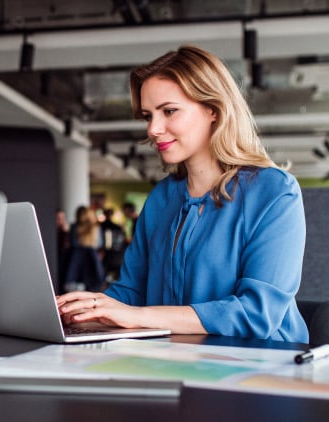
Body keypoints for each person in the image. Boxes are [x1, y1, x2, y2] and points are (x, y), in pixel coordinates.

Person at [57, 45, 309, 343]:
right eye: (148, 116)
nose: (153, 129)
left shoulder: (275, 192)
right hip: (177, 359)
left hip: (261, 365)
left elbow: (257, 313)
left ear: (212, 109)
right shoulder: (161, 199)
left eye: (169, 111)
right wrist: (84, 311)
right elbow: (131, 293)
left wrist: (138, 317)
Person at [64, 205, 105, 292]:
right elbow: (99, 244)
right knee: (92, 283)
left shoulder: (74, 226)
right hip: (91, 256)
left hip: (76, 256)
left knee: (73, 282)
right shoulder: (95, 227)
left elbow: (72, 242)